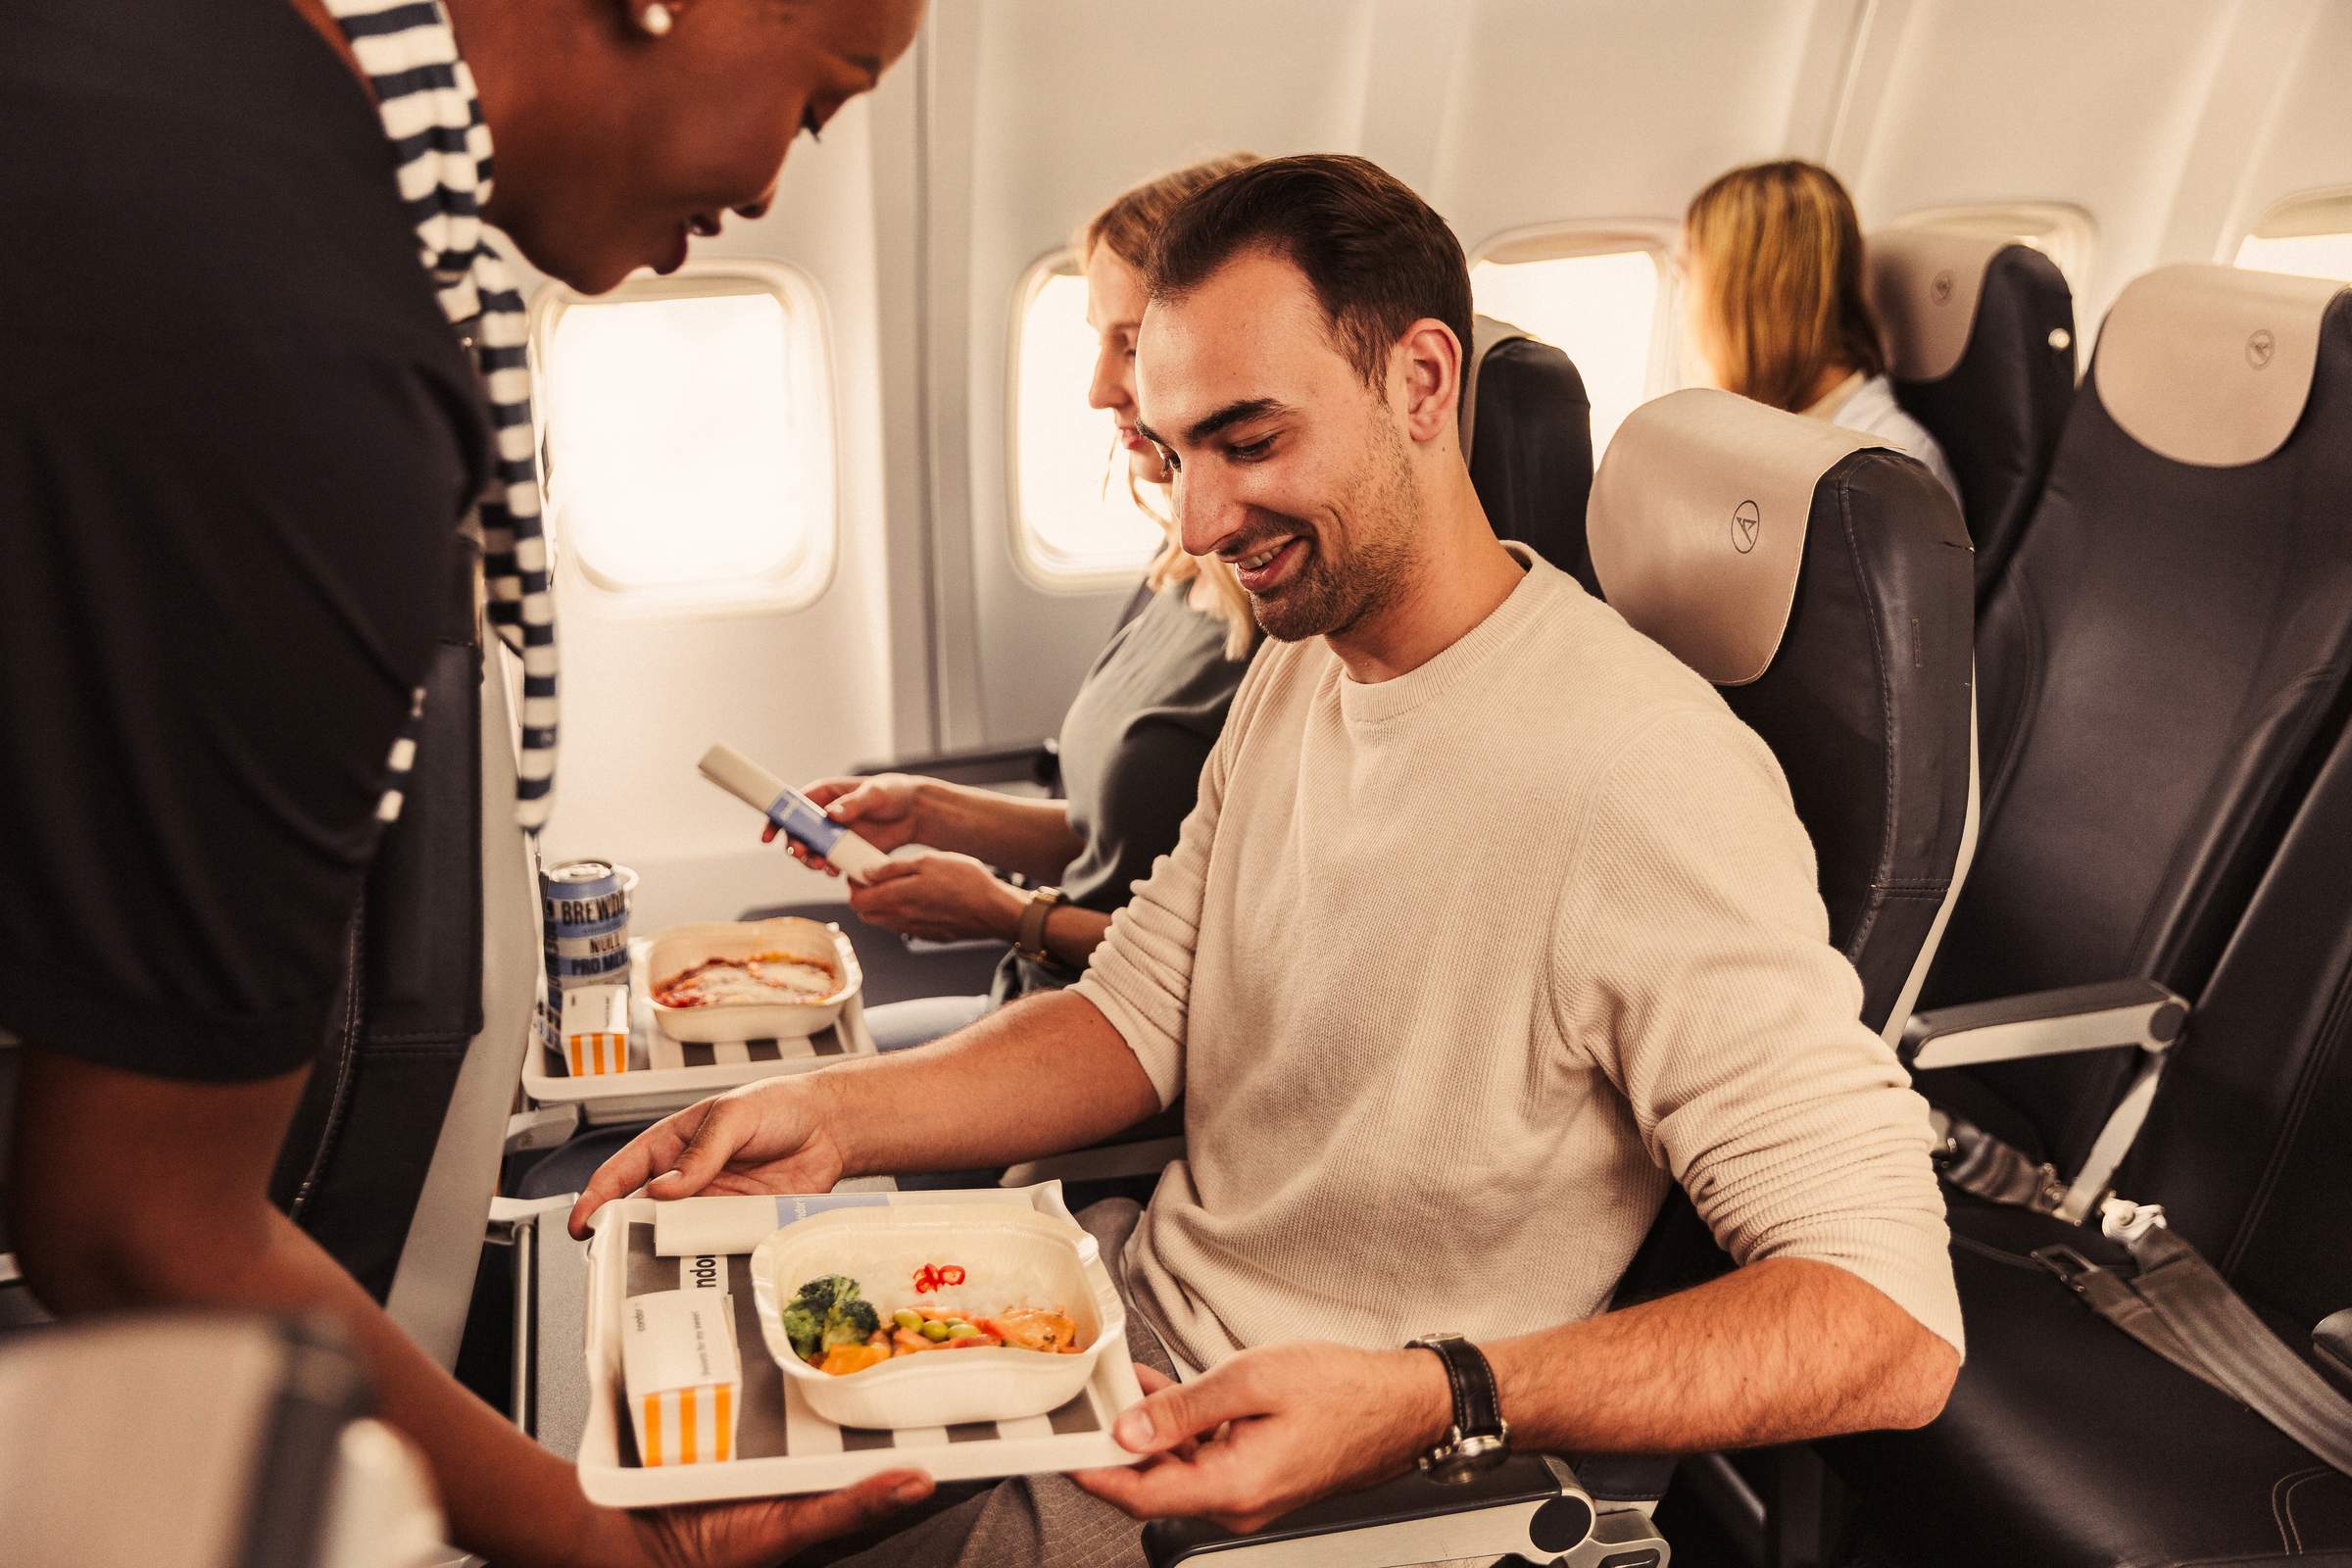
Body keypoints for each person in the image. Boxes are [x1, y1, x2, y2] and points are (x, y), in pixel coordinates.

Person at [571, 154, 1963, 1566]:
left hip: (1256, 1480)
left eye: (1248, 442)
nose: (1197, 523)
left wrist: (1436, 1396)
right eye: (1176, 454)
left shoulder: (1644, 772)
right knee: (642, 1458)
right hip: (1085, 1334)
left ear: (1424, 385)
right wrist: (834, 1114)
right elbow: (1139, 1013)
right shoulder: (1309, 668)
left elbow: (1890, 1318)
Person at [0, 1, 931, 1564]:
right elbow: (127, 1216)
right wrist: (620, 1545)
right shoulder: (299, 343)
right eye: (823, 102)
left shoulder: (167, 81)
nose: (775, 190)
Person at [779, 158, 1261, 1053]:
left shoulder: (1289, 620)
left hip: (1117, 1054)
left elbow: (1236, 967)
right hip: (1034, 1001)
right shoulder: (1181, 569)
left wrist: (1007, 914)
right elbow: (1111, 841)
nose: (1097, 387)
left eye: (1128, 342)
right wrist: (926, 807)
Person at [1681, 159, 1964, 504]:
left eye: (1689, 275)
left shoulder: (1890, 470)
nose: (1685, 303)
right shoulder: (1768, 430)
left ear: (1753, 297)